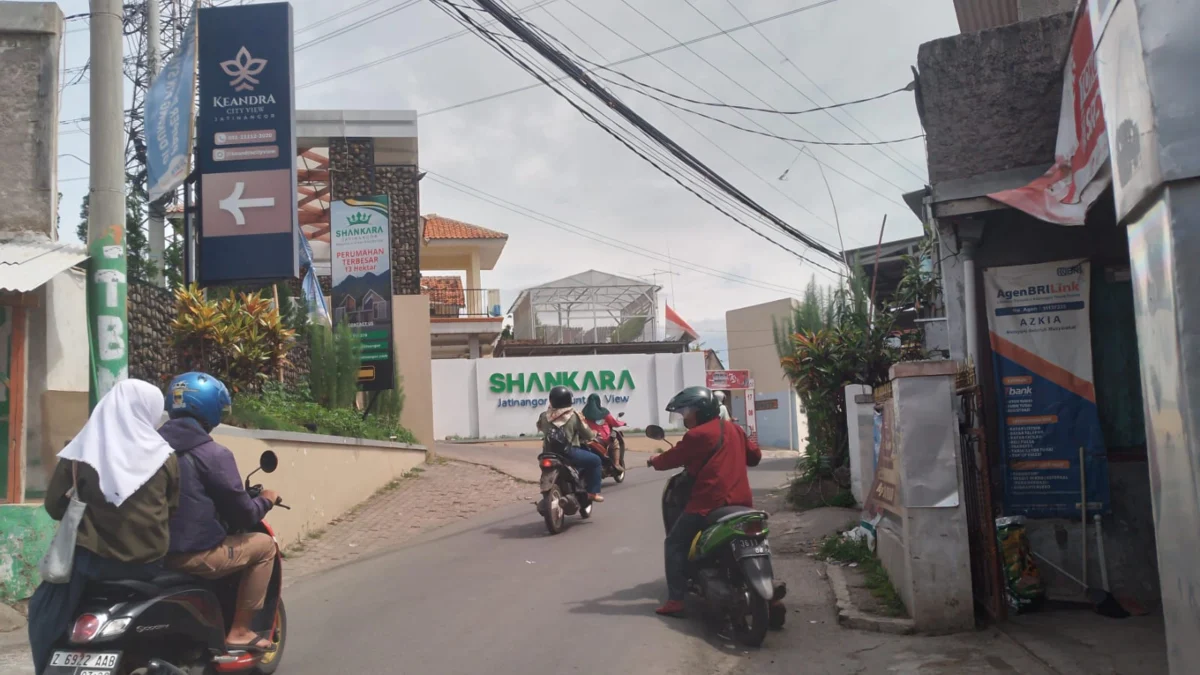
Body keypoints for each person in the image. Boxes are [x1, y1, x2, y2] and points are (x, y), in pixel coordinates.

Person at [28, 380, 180, 675]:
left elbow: (53, 506)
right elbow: (172, 507)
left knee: (41, 611)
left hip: (91, 566)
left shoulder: (82, 450)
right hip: (148, 565)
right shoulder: (166, 456)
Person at [159, 372, 280, 653]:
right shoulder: (212, 454)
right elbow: (242, 515)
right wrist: (266, 500)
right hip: (192, 555)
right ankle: (239, 631)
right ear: (209, 408)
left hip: (151, 554)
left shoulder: (149, 447)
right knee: (264, 547)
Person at [646, 386, 762, 617]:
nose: (685, 417)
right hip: (742, 501)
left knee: (675, 543)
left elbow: (673, 458)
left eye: (687, 412)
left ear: (700, 411)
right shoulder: (734, 429)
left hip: (709, 504)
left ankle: (676, 600)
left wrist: (654, 460)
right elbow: (755, 457)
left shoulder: (697, 435)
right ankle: (768, 597)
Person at [537, 386, 605, 502]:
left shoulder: (544, 416)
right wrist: (593, 434)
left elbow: (541, 428)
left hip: (548, 453)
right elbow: (587, 434)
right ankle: (592, 493)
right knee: (596, 461)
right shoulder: (573, 415)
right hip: (568, 453)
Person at [581, 393, 626, 469]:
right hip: (604, 438)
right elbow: (614, 422)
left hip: (588, 437)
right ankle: (617, 464)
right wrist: (623, 423)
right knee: (615, 444)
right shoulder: (604, 412)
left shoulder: (583, 412)